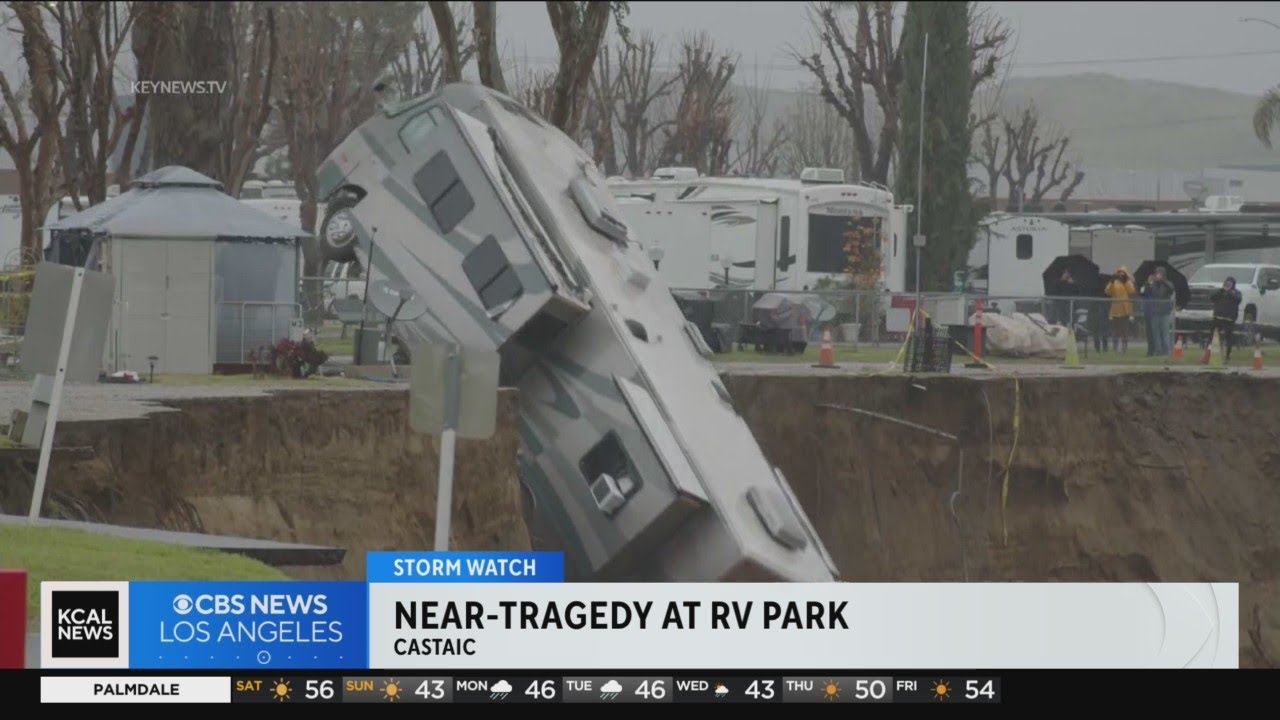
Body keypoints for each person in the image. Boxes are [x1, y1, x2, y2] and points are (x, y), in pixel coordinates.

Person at [1141, 266, 1176, 356]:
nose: (1158, 275)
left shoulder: (1168, 284)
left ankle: (1166, 350)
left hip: (1164, 312)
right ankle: (1158, 350)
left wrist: (1163, 281)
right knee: (1155, 333)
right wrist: (1148, 283)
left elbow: (1171, 289)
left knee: (1165, 332)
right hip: (1155, 312)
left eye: (1159, 273)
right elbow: (1145, 292)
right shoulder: (1153, 284)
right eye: (1157, 273)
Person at [1209, 276, 1243, 362]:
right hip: (1217, 318)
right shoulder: (1220, 292)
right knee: (1212, 336)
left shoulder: (1236, 293)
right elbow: (1212, 298)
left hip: (1229, 319)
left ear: (1233, 284)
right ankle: (1210, 354)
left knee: (1228, 338)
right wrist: (1222, 290)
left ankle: (1227, 356)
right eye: (1226, 283)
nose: (1228, 285)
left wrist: (1230, 291)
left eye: (1230, 283)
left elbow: (1237, 300)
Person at [1104, 266, 1137, 353]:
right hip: (1115, 309)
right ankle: (1115, 348)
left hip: (1125, 310)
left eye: (1123, 273)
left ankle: (1124, 348)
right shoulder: (1114, 282)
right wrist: (1111, 281)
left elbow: (1132, 291)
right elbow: (1107, 291)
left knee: (1124, 330)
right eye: (1119, 273)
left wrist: (1126, 281)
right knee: (1115, 330)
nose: (1121, 275)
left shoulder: (1128, 281)